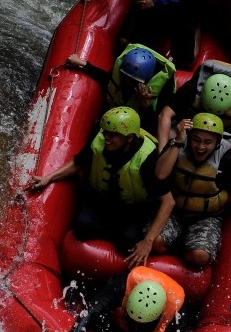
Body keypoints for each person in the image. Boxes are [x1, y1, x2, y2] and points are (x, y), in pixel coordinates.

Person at [27, 106, 174, 268]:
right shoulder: (100, 137)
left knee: (127, 242)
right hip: (101, 201)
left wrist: (148, 241)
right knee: (82, 228)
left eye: (113, 135)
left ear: (130, 138)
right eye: (105, 132)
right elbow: (79, 163)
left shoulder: (147, 158)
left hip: (132, 209)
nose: (106, 138)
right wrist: (48, 178)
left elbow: (168, 202)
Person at [154, 112, 231, 268]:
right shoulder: (176, 148)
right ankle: (179, 243)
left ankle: (189, 246)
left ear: (217, 143)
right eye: (196, 140)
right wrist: (177, 142)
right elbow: (160, 174)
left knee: (200, 256)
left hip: (207, 217)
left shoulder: (227, 161)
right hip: (174, 212)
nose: (201, 147)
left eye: (208, 142)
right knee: (156, 242)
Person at [59, 266, 187, 332]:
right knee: (99, 322)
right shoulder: (122, 285)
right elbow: (91, 310)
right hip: (117, 324)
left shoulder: (176, 309)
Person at [156, 62, 231, 163]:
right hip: (190, 130)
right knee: (169, 134)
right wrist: (162, 152)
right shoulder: (192, 88)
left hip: (222, 137)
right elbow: (165, 115)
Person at [64, 43, 176, 138]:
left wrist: (146, 106)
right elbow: (108, 80)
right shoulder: (122, 76)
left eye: (133, 81)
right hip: (115, 122)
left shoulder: (162, 91)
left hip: (137, 133)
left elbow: (155, 126)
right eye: (126, 77)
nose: (128, 83)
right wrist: (84, 65)